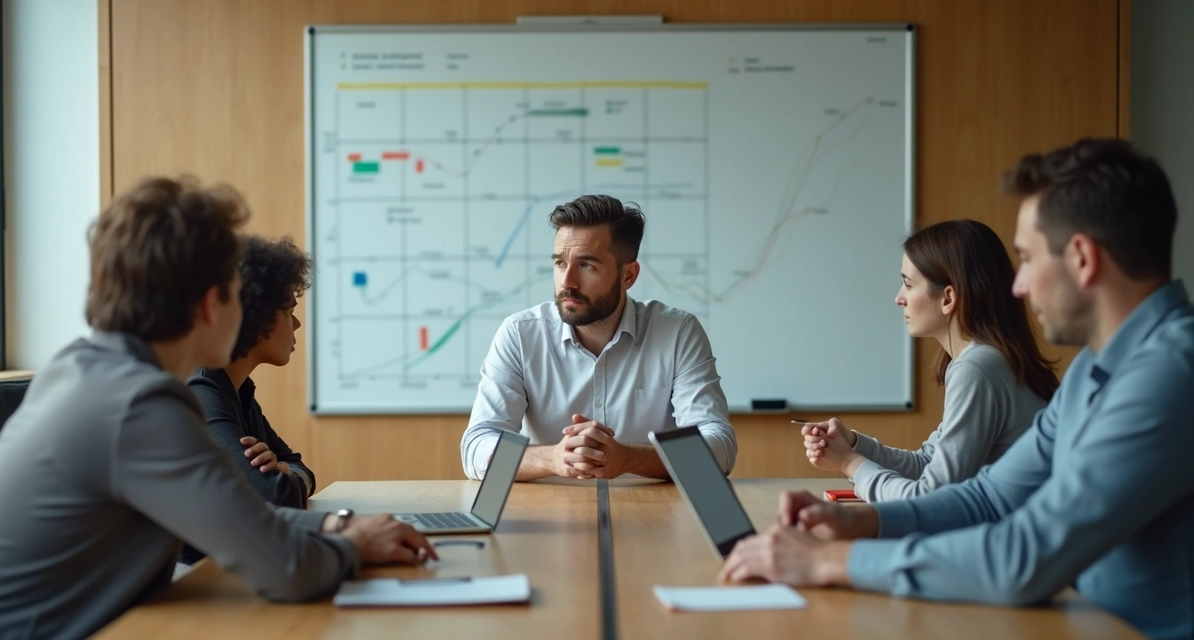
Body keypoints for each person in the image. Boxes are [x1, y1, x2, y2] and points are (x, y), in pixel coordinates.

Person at [719, 138, 1194, 640]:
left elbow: (1025, 556)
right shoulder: (1094, 369)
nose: (1019, 286)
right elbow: (986, 498)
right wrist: (857, 524)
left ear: (1081, 258)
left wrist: (833, 560)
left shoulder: (1170, 374)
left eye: (1028, 259)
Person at [0, 177, 436, 640]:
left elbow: (233, 517)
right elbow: (288, 569)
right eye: (238, 293)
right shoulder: (139, 403)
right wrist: (353, 545)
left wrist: (338, 522)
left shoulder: (82, 370)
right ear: (209, 304)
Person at [460, 195, 736, 481]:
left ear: (628, 275)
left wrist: (630, 458)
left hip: (655, 515)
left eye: (586, 265)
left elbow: (720, 449)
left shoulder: (677, 333)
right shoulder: (520, 334)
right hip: (548, 516)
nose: (567, 282)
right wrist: (553, 458)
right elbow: (476, 449)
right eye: (559, 264)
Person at [799, 220, 1058, 501]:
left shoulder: (978, 368)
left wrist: (849, 462)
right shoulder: (988, 359)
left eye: (908, 285)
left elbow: (931, 498)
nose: (899, 298)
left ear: (948, 298)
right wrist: (853, 445)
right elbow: (927, 464)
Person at [181, 235, 315, 566]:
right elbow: (274, 495)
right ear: (256, 317)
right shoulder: (202, 391)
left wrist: (287, 472)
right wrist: (286, 477)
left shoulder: (238, 389)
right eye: (288, 311)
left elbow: (299, 466)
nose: (296, 323)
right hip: (192, 579)